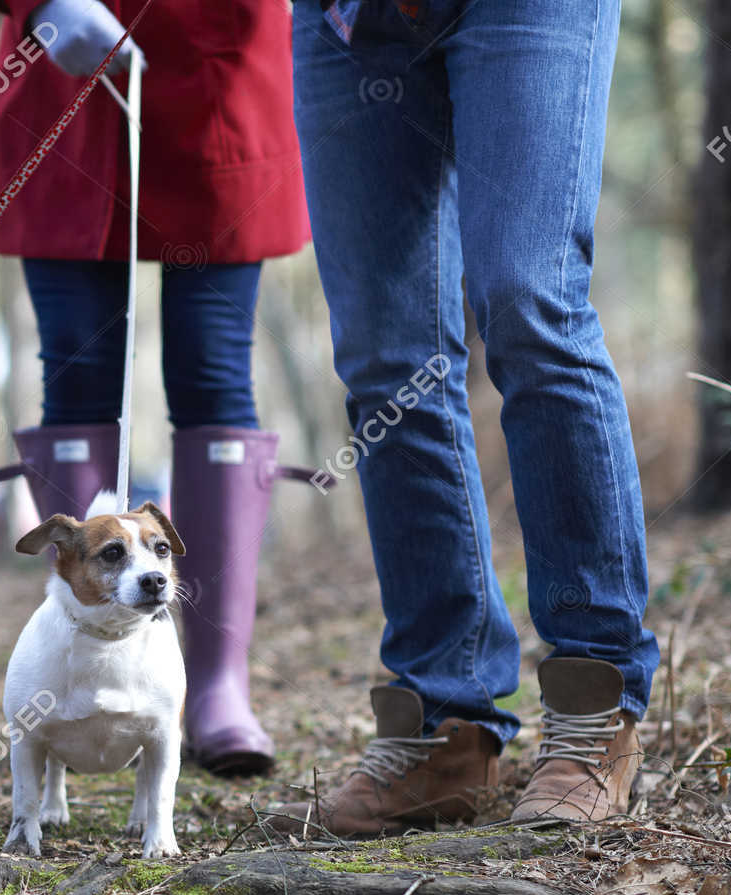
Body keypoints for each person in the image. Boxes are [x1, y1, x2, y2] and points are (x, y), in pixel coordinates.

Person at [267, 0, 659, 835]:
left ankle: (596, 706)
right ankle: (445, 728)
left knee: (529, 303)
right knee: (385, 357)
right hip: (349, 20)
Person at [0, 0, 312, 776]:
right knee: (76, 374)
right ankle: (75, 667)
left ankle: (217, 686)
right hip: (64, 90)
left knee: (214, 374)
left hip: (218, 84)